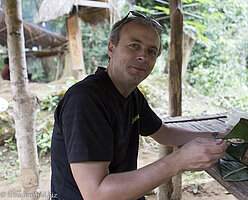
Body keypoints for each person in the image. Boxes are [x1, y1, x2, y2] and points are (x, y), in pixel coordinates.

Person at [51, 10, 228, 200]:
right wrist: (179, 161)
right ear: (111, 48)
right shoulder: (86, 99)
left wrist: (218, 136)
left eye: (151, 51)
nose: (143, 56)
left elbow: (164, 133)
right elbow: (96, 194)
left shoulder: (131, 94)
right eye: (134, 45)